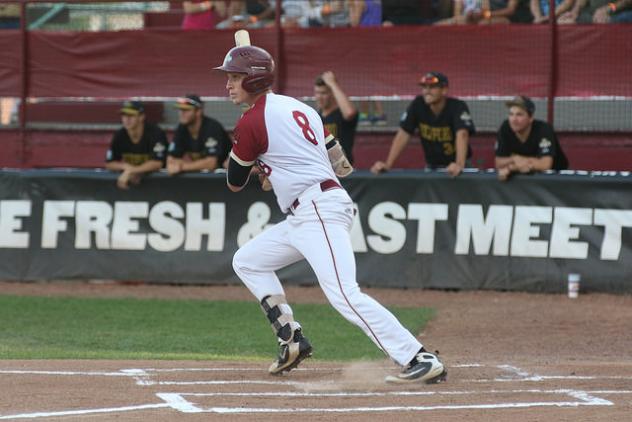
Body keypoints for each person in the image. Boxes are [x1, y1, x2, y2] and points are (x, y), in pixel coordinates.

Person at [214, 41, 446, 384]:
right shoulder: (299, 108)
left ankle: (416, 356)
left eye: (234, 77)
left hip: (316, 209)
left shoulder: (251, 123)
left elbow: (233, 181)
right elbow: (341, 164)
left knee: (344, 294)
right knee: (248, 259)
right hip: (307, 210)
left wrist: (263, 165)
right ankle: (290, 336)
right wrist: (276, 165)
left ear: (253, 79)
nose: (228, 84)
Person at [371, 72, 475, 177]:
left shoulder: (457, 106)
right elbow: (403, 134)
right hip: (432, 167)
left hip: (461, 167)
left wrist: (459, 165)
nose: (427, 91)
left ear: (444, 90)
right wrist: (388, 164)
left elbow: (462, 134)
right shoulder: (418, 105)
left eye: (432, 87)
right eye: (424, 87)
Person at [495, 95, 569, 181]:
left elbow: (545, 165)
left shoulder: (544, 129)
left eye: (519, 115)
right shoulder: (505, 127)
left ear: (530, 118)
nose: (514, 119)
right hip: (526, 178)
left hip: (556, 178)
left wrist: (513, 167)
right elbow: (498, 162)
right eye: (511, 114)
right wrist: (515, 159)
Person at [105, 101, 168, 190]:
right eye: (124, 115)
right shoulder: (120, 135)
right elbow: (109, 163)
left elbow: (157, 163)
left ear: (141, 117)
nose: (127, 119)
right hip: (133, 184)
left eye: (131, 115)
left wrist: (132, 171)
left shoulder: (156, 133)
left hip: (161, 185)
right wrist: (126, 167)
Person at [167, 94, 232, 175]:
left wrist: (181, 166)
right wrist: (199, 165)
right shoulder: (181, 128)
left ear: (198, 111)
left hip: (225, 176)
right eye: (180, 110)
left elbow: (211, 163)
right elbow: (171, 160)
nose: (181, 113)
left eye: (186, 110)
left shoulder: (212, 127)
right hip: (203, 176)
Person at [314, 71, 358, 164]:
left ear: (333, 93)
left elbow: (349, 113)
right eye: (317, 93)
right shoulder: (316, 117)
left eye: (324, 93)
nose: (319, 97)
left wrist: (333, 84)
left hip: (343, 169)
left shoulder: (341, 113)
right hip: (322, 168)